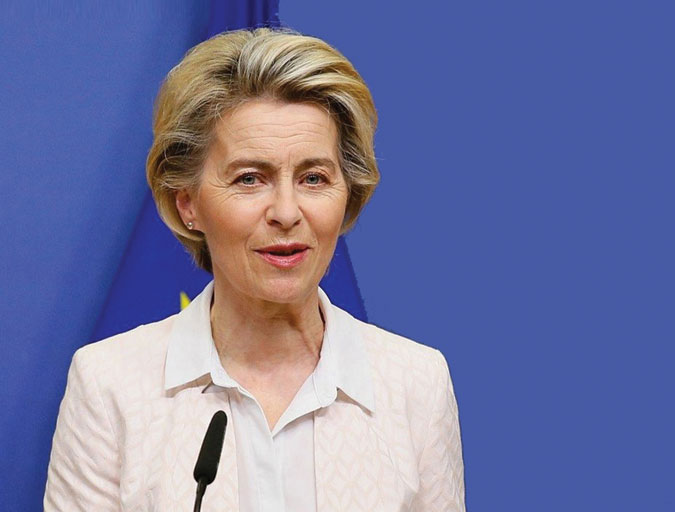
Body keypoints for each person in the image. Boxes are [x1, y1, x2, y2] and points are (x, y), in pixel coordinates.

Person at [44, 27, 465, 511]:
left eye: (313, 178)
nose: (286, 212)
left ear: (347, 194)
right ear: (188, 204)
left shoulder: (415, 383)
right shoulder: (110, 384)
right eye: (249, 179)